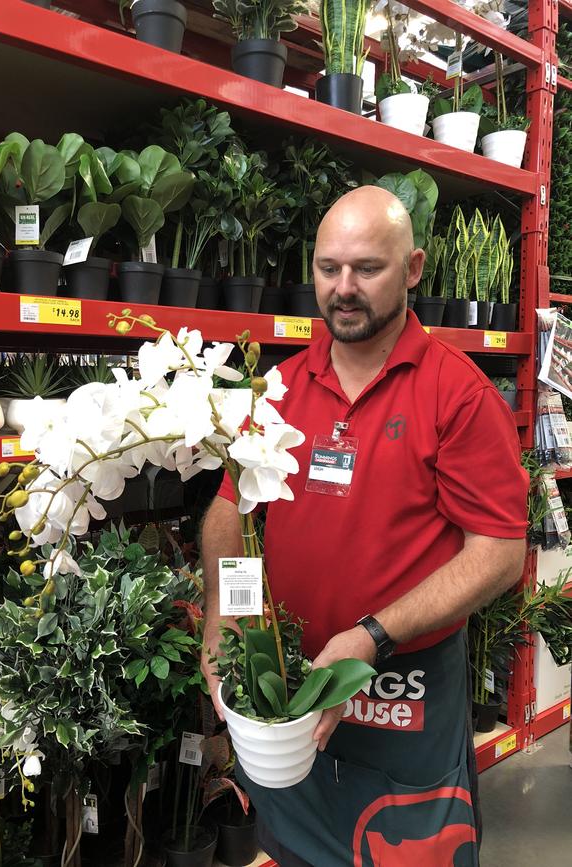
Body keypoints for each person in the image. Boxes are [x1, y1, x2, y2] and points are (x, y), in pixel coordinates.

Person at [201, 186, 528, 867]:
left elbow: (497, 552)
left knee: (410, 846)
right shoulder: (280, 390)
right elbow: (232, 513)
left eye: (367, 269)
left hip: (402, 690)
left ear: (413, 268)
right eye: (328, 268)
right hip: (290, 678)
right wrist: (224, 619)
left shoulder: (457, 394)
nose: (342, 288)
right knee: (293, 841)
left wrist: (373, 635)